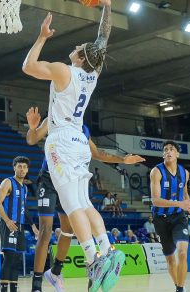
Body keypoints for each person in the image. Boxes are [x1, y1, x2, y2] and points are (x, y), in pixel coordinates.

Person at [25, 106, 144, 292]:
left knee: (69, 229)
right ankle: (37, 285)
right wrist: (32, 127)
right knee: (46, 230)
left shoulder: (82, 128)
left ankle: (56, 273)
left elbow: (97, 154)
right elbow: (32, 139)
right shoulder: (54, 117)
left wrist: (123, 160)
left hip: (71, 180)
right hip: (50, 179)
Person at [150, 140, 190, 292]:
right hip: (161, 219)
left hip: (178, 217)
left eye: (171, 149)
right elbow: (155, 201)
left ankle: (180, 288)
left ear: (177, 153)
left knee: (183, 253)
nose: (168, 152)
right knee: (171, 260)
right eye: (165, 150)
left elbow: (185, 195)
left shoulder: (185, 173)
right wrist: (179, 204)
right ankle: (178, 286)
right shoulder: (156, 172)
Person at [0, 156, 39, 292]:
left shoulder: (24, 188)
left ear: (27, 170)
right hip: (9, 225)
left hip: (20, 226)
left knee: (17, 261)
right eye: (19, 166)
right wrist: (7, 221)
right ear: (14, 167)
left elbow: (23, 208)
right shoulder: (8, 182)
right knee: (9, 259)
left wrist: (32, 225)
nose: (22, 169)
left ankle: (14, 289)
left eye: (24, 167)